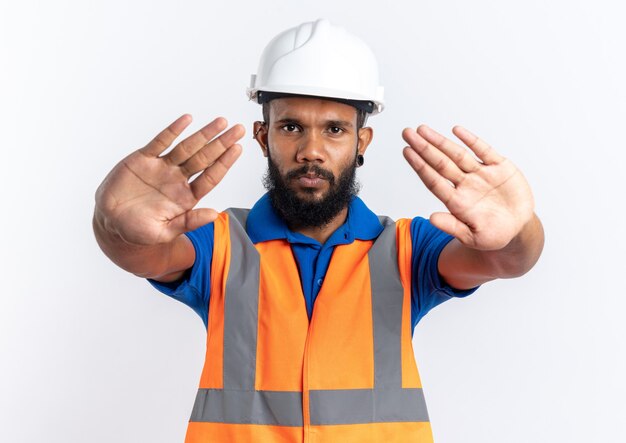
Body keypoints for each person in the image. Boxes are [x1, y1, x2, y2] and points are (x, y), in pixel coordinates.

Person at [93, 18, 544, 443]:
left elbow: (502, 260)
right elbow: (147, 255)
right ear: (263, 136)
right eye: (291, 127)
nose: (312, 150)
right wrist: (117, 227)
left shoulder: (407, 249)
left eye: (334, 130)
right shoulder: (222, 241)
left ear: (360, 142)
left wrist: (516, 233)